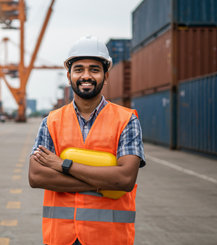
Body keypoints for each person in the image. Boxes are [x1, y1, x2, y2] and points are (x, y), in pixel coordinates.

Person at [28, 35, 145, 245]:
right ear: (69, 75)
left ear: (105, 76)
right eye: (79, 69)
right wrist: (103, 181)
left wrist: (63, 165)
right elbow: (37, 177)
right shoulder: (51, 122)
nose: (86, 76)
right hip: (61, 238)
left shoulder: (127, 120)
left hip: (109, 238)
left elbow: (125, 180)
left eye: (94, 69)